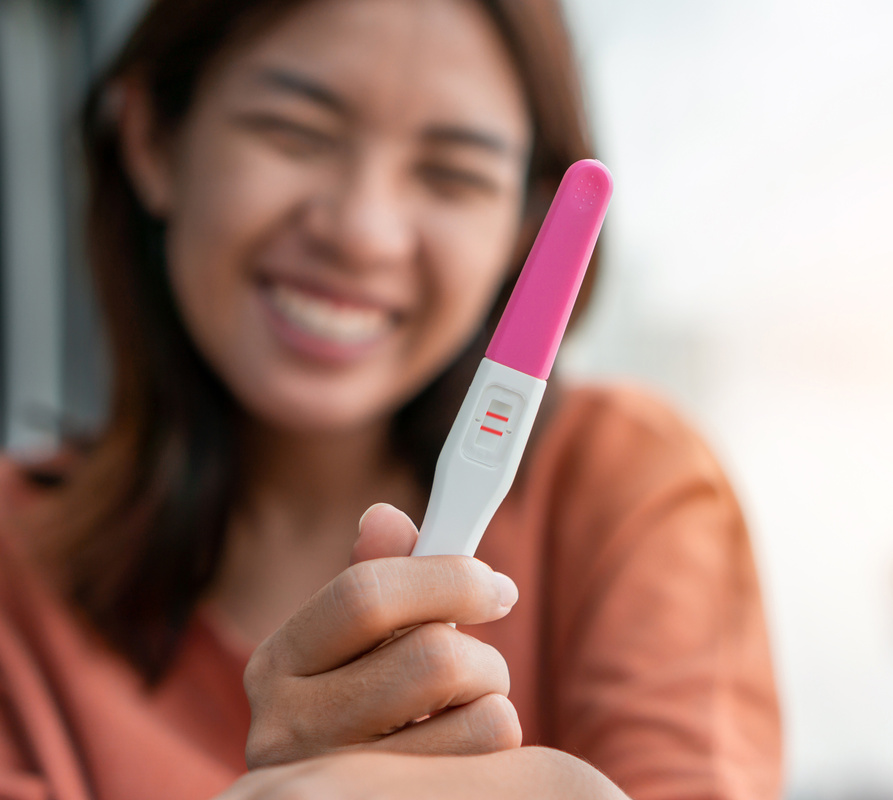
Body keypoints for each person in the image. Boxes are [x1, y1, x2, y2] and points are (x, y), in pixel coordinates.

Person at [0, 0, 781, 798]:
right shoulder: (11, 572)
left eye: (453, 173)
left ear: (525, 230)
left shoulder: (625, 482)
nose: (363, 232)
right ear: (154, 141)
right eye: (294, 132)